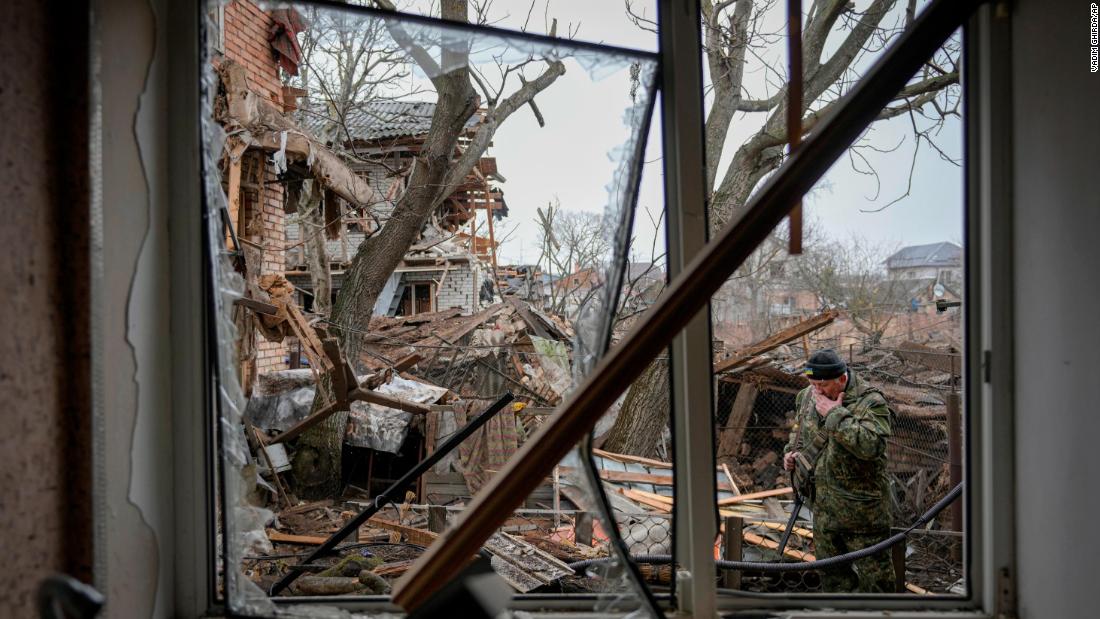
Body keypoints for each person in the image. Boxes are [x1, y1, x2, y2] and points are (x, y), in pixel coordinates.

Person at [783, 348, 896, 593]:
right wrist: (791, 454)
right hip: (823, 511)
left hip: (862, 513)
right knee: (834, 582)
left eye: (822, 385)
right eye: (812, 384)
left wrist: (835, 414)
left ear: (842, 379)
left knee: (877, 584)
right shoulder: (806, 396)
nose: (817, 391)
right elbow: (798, 434)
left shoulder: (871, 401)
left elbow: (872, 446)